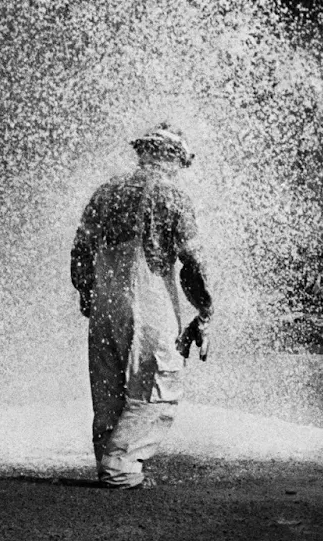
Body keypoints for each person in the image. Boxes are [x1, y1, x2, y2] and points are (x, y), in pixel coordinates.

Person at [70, 124, 214, 489]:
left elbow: (80, 250)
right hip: (148, 302)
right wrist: (205, 310)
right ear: (172, 158)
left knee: (109, 388)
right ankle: (119, 468)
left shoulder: (106, 192)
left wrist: (87, 293)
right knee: (156, 384)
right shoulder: (170, 194)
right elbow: (192, 261)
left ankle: (109, 459)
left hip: (104, 301)